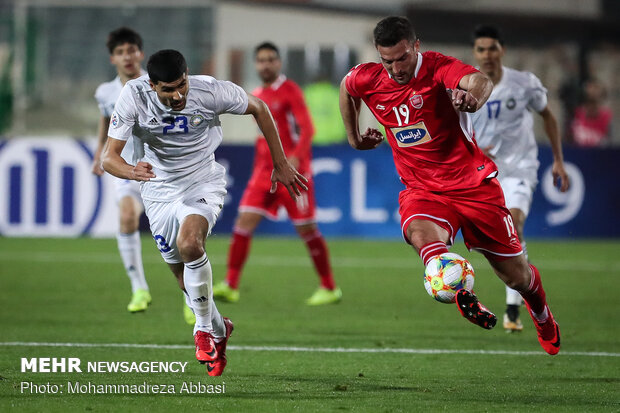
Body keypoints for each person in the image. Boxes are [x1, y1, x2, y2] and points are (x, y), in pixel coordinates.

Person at [339, 16, 561, 355]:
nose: (396, 68)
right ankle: (459, 290)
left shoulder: (438, 68)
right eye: (388, 60)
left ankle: (542, 315)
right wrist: (354, 137)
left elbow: (478, 80)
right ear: (378, 55)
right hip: (422, 189)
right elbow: (347, 87)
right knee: (419, 234)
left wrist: (472, 98)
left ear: (416, 45)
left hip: (473, 187)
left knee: (517, 278)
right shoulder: (368, 77)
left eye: (402, 58)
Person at [102, 49, 307, 375]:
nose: (178, 94)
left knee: (191, 244)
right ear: (152, 86)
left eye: (181, 84)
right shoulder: (133, 96)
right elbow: (108, 158)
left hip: (202, 182)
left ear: (188, 75)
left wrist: (280, 163)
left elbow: (259, 107)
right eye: (168, 89)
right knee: (184, 280)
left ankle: (202, 331)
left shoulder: (209, 90)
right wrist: (131, 171)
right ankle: (219, 328)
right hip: (157, 189)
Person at [212, 42, 342, 306]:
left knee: (307, 228)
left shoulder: (290, 90)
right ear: (255, 65)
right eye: (261, 60)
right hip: (263, 174)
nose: (266, 64)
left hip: (294, 173)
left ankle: (329, 287)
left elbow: (307, 130)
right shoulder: (256, 95)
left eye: (271, 59)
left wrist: (293, 161)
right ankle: (230, 284)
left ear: (279, 63)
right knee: (243, 222)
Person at [470, 25, 570, 332]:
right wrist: (473, 149)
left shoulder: (524, 83)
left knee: (514, 222)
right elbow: (459, 128)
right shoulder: (468, 86)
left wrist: (557, 160)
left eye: (492, 48)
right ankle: (517, 287)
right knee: (496, 237)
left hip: (520, 167)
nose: (487, 55)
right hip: (485, 171)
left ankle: (513, 306)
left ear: (502, 50)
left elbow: (548, 116)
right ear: (476, 53)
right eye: (481, 49)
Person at [92, 28, 195, 324]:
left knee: (179, 237)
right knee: (126, 216)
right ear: (113, 58)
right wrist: (100, 153)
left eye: (131, 50)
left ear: (140, 53)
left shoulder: (154, 85)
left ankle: (191, 297)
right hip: (126, 167)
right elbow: (105, 121)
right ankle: (139, 289)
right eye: (121, 52)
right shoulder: (105, 92)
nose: (127, 56)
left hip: (159, 169)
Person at [570, 79, 613, 147]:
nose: (591, 107)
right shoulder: (577, 114)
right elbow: (569, 142)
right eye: (589, 102)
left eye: (595, 103)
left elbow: (612, 144)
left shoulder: (607, 116)